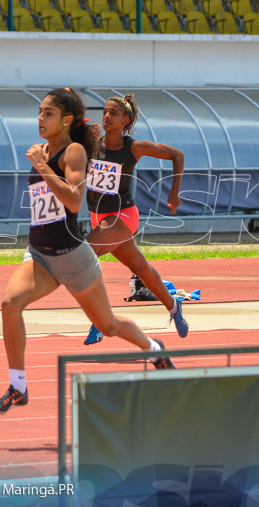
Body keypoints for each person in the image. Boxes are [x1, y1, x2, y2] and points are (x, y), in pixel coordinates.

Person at [0, 87, 174, 414]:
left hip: (73, 256)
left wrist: (44, 168)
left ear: (67, 119)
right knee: (9, 303)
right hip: (41, 253)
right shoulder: (42, 149)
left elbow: (74, 200)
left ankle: (153, 348)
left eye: (49, 113)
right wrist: (42, 163)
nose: (41, 118)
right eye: (40, 112)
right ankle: (18, 386)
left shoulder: (73, 152)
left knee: (109, 326)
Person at [82, 93, 187, 345]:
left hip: (122, 216)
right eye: (105, 112)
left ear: (125, 120)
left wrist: (174, 192)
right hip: (99, 217)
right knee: (140, 269)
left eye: (113, 113)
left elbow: (177, 155)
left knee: (84, 255)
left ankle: (99, 319)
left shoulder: (134, 148)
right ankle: (174, 306)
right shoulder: (94, 143)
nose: (106, 116)